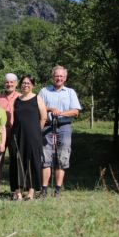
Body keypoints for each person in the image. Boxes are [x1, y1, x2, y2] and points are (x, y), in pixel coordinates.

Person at [40, 65, 81, 197]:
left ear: (65, 78)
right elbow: (38, 107)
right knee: (45, 157)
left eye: (61, 76)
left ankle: (57, 189)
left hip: (64, 126)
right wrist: (51, 109)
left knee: (62, 157)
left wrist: (61, 113)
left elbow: (75, 111)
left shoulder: (70, 92)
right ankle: (44, 189)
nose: (59, 78)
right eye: (56, 76)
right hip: (47, 125)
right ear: (52, 77)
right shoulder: (44, 91)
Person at [11, 75, 47, 200]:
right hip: (18, 135)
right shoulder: (17, 100)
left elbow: (43, 117)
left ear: (33, 85)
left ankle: (31, 191)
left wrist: (36, 131)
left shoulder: (37, 98)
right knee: (18, 162)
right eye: (23, 83)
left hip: (33, 136)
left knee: (32, 162)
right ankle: (19, 190)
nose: (25, 85)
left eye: (28, 83)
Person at [0, 73, 20, 190]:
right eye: (7, 82)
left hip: (15, 132)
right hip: (0, 133)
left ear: (16, 83)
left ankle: (15, 189)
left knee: (15, 161)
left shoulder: (20, 97)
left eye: (11, 82)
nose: (9, 84)